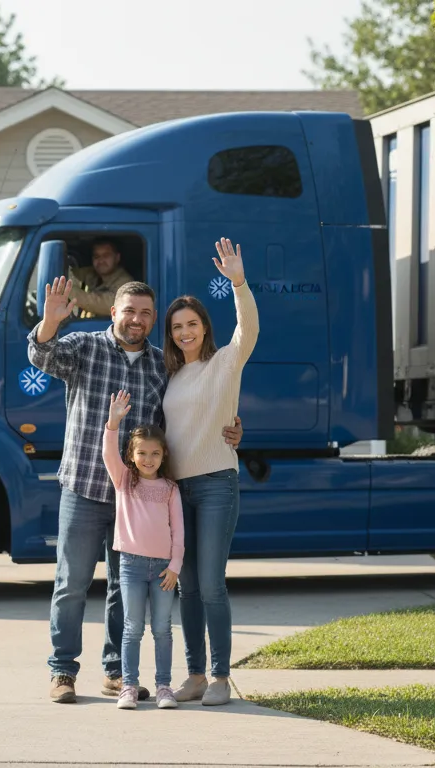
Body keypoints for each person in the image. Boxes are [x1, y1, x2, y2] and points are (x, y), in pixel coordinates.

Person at [27, 276, 243, 705]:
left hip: (138, 499)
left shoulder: (164, 364)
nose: (137, 320)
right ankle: (62, 672)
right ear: (114, 313)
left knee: (121, 589)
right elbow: (41, 356)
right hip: (88, 485)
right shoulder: (84, 347)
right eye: (130, 311)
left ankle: (114, 672)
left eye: (146, 313)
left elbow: (194, 410)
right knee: (71, 582)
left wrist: (233, 427)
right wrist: (49, 322)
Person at [163, 237, 259, 707]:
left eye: (192, 324)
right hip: (177, 490)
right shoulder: (170, 376)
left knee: (212, 583)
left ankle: (221, 677)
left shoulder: (226, 361)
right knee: (188, 585)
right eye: (178, 326)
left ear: (205, 327)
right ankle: (195, 675)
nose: (185, 332)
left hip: (218, 483)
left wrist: (238, 282)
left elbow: (249, 329)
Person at [102, 389, 184, 710]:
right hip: (132, 566)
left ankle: (164, 687)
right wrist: (113, 423)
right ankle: (130, 687)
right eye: (142, 454)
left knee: (162, 628)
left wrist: (175, 565)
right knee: (132, 627)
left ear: (163, 456)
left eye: (155, 454)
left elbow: (178, 531)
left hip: (164, 568)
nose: (148, 460)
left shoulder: (170, 489)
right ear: (132, 455)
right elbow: (109, 454)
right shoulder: (125, 482)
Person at [69, 238, 135, 318]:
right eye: (96, 256)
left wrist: (65, 290)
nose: (100, 260)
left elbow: (100, 303)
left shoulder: (127, 284)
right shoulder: (92, 274)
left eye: (106, 255)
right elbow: (71, 273)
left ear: (117, 258)